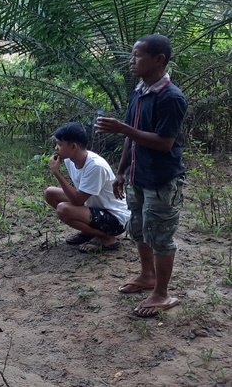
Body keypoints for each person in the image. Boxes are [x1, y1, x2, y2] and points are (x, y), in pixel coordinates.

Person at [95, 34, 187, 318]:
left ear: (158, 59)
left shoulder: (171, 98)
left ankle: (162, 293)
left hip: (161, 179)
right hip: (137, 176)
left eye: (137, 56)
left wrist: (124, 129)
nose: (131, 60)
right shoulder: (140, 90)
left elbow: (164, 142)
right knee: (138, 228)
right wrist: (121, 171)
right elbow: (131, 136)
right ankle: (147, 276)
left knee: (160, 235)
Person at [44, 122, 130, 253]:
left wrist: (56, 172)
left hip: (115, 218)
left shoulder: (95, 166)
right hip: (95, 207)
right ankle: (89, 232)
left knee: (63, 209)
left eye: (60, 144)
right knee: (50, 193)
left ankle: (107, 238)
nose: (56, 148)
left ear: (73, 146)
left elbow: (77, 201)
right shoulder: (70, 159)